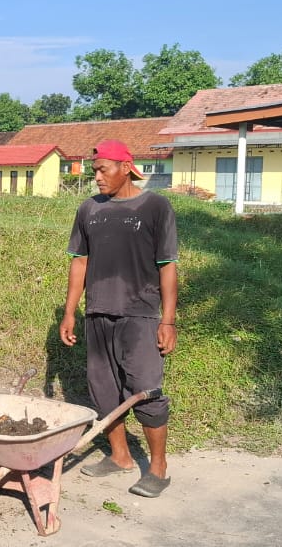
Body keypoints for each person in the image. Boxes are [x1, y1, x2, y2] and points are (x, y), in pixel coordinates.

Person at [59, 139, 178, 499]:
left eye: (102, 169)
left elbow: (167, 266)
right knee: (104, 389)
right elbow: (80, 262)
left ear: (125, 168)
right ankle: (120, 456)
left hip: (140, 314)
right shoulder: (89, 209)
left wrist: (168, 321)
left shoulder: (155, 206)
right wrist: (70, 311)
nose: (97, 177)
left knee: (145, 388)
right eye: (94, 170)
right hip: (97, 311)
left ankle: (158, 468)